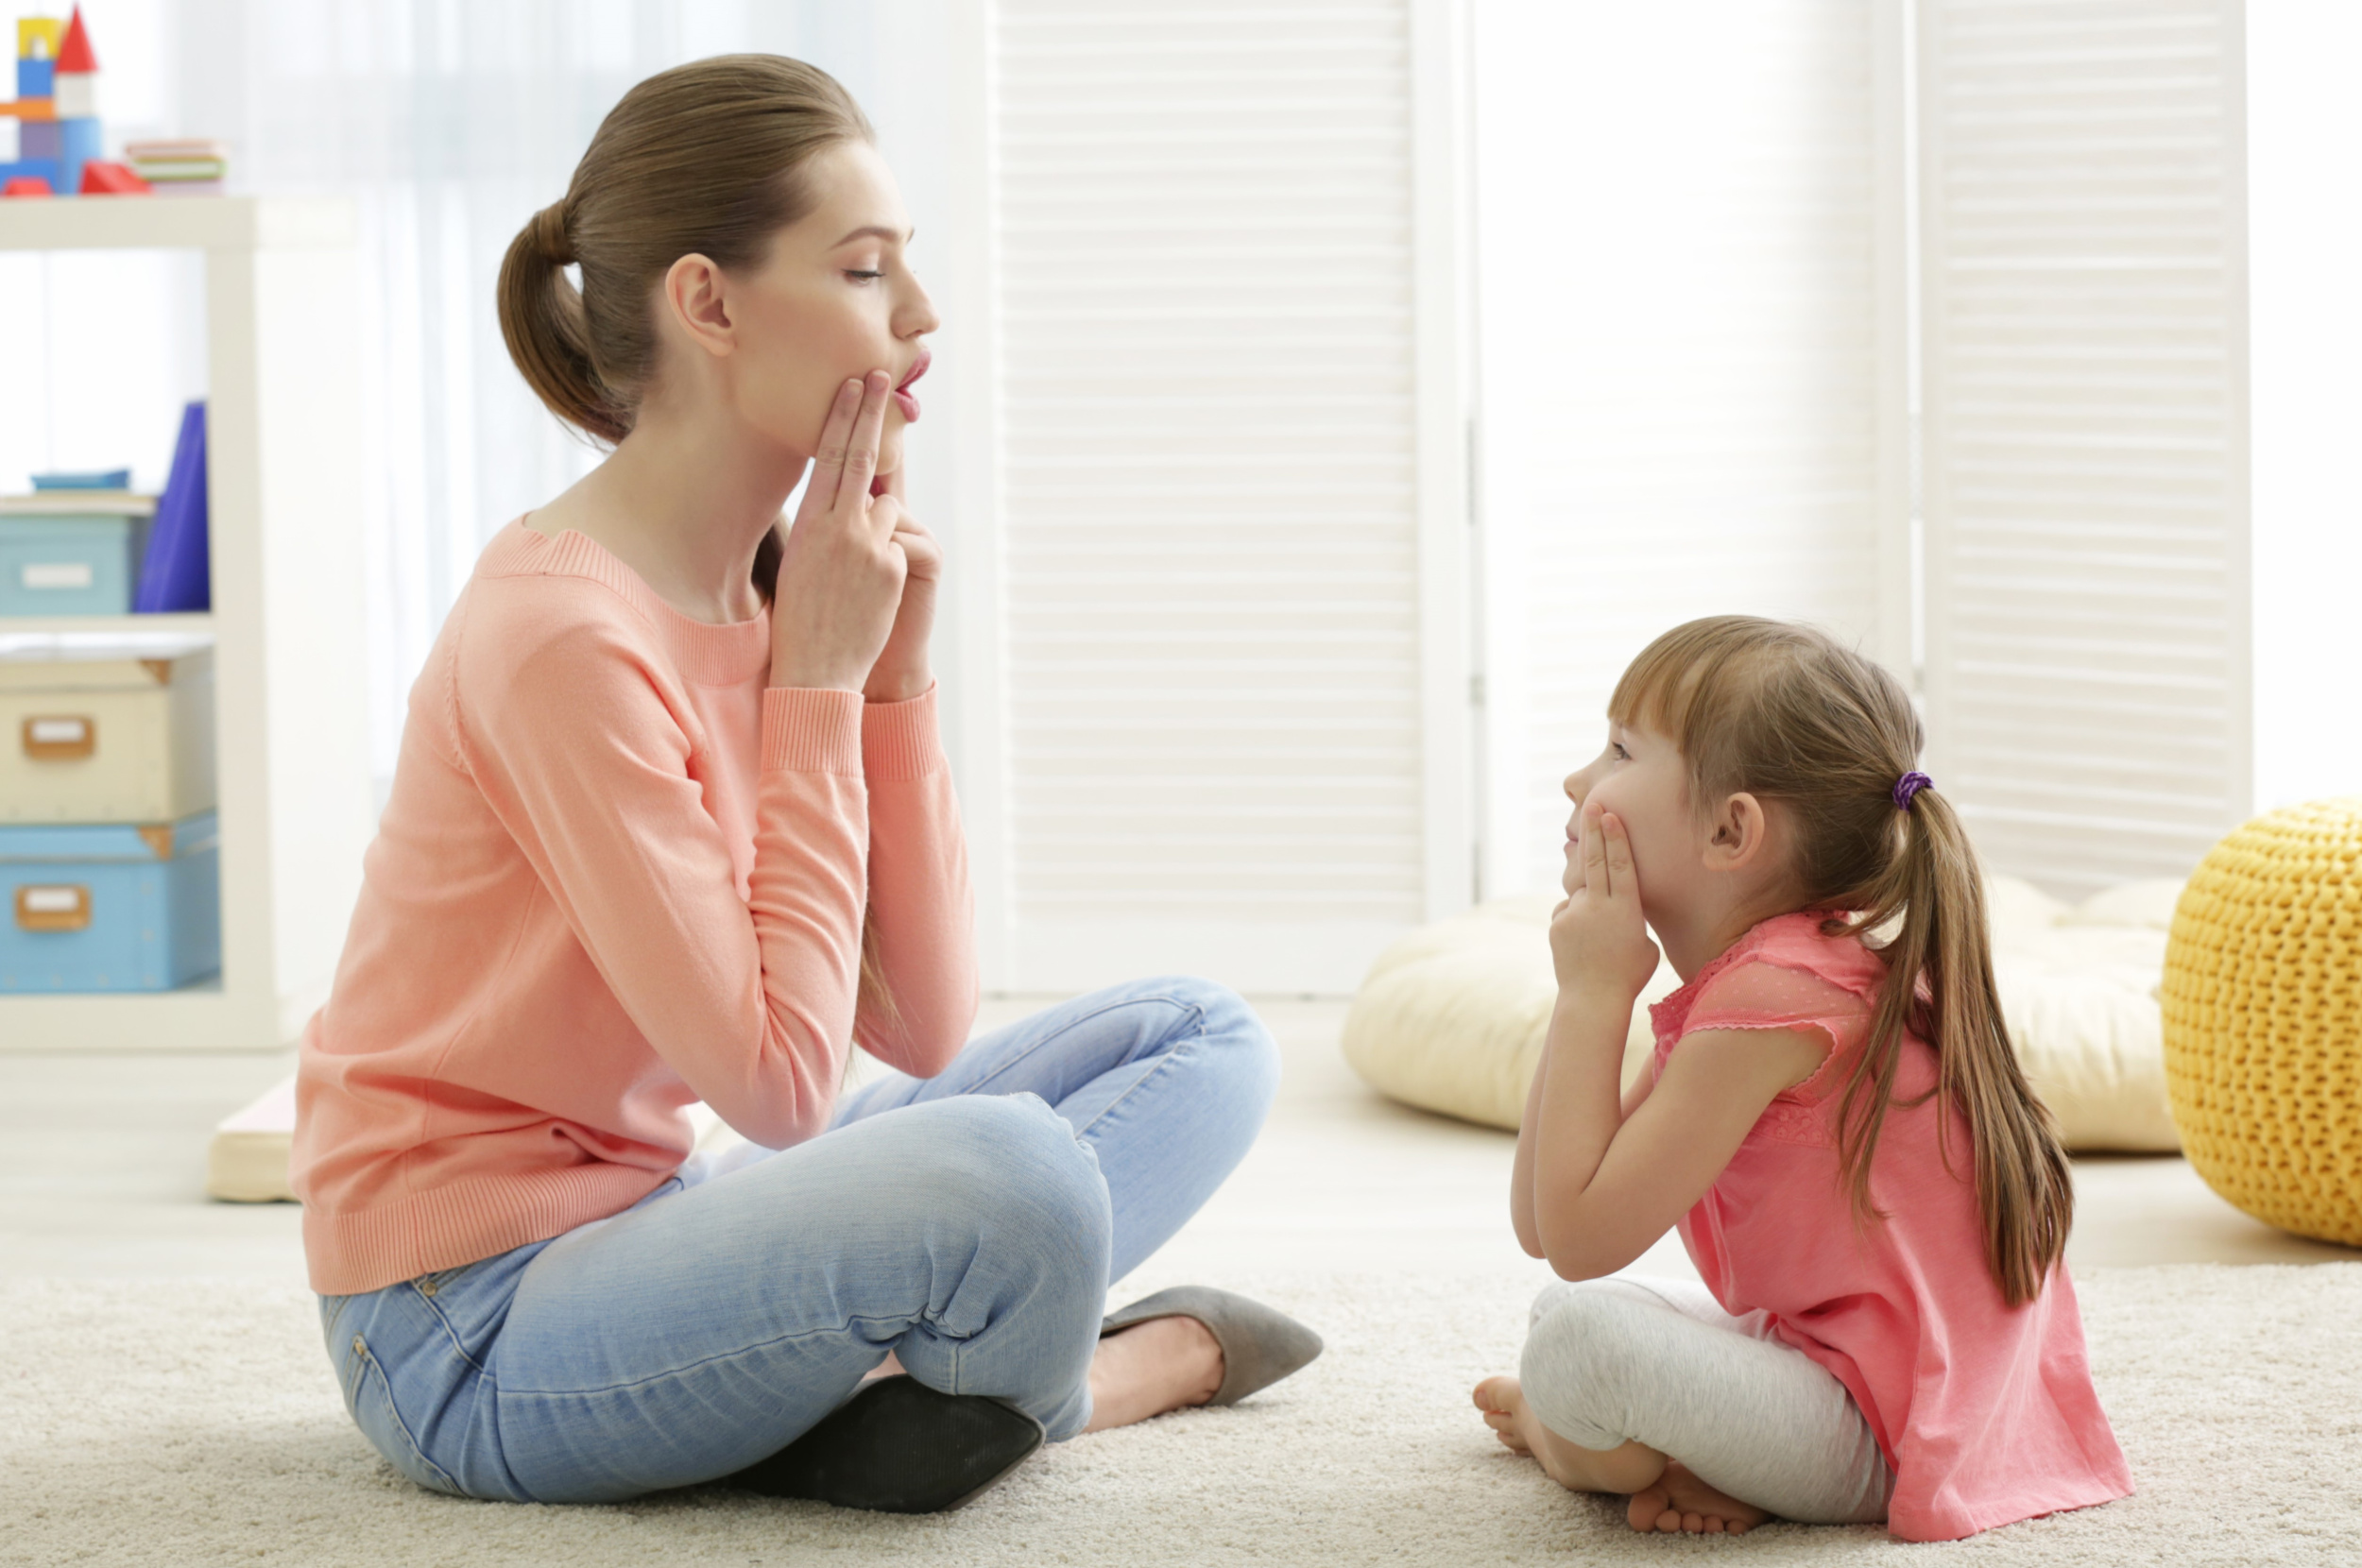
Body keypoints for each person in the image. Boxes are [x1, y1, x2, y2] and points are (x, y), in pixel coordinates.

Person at [290, 55, 1319, 1515]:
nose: (922, 313)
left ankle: (885, 1387)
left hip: (660, 1207)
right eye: (864, 267)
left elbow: (918, 1021)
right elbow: (781, 1092)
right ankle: (1094, 1384)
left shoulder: (778, 588)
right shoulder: (560, 637)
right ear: (708, 305)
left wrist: (886, 685)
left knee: (1206, 1038)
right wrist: (821, 689)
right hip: (467, 1323)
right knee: (1016, 1177)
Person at [1470, 616, 2132, 1542]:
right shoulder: (1766, 975)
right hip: (1832, 1358)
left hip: (1888, 1428)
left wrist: (1594, 996)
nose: (1578, 781)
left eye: (1619, 750)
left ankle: (1591, 1447)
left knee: (1579, 1349)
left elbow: (1579, 1236)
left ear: (1730, 828)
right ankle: (1702, 1456)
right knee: (1565, 1315)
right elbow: (1543, 1224)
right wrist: (1588, 985)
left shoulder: (1776, 997)